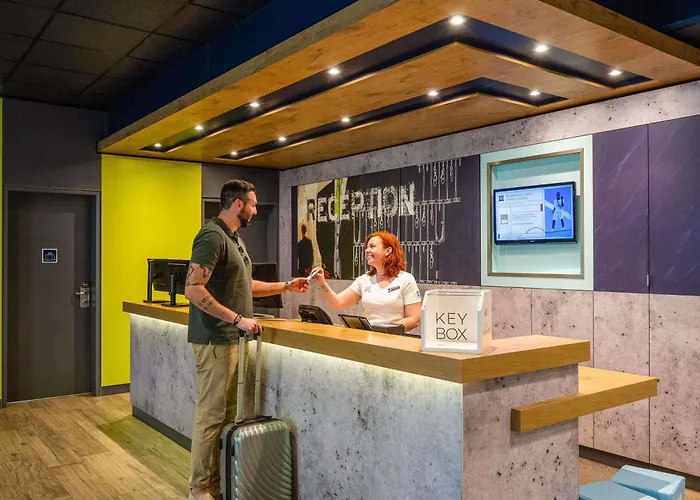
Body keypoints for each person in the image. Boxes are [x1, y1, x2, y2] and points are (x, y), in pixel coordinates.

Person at [184, 179, 309, 500]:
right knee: (211, 415)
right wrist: (237, 319)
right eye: (252, 204)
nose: (255, 210)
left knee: (225, 415)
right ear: (238, 204)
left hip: (231, 339)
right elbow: (193, 289)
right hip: (215, 340)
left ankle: (216, 484)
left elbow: (246, 283)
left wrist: (286, 286)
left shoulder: (234, 238)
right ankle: (199, 488)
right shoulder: (212, 236)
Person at [313, 231, 421, 330]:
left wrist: (386, 330)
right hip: (368, 338)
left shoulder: (406, 279)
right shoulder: (364, 280)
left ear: (388, 251)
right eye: (367, 247)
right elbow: (338, 303)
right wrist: (322, 282)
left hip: (394, 338)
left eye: (372, 246)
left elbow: (414, 319)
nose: (367, 250)